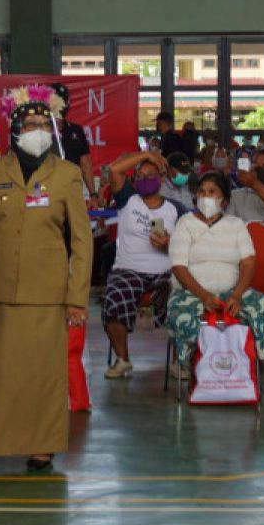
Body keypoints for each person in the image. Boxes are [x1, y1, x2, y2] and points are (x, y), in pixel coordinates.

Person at [0, 87, 92, 473]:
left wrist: (77, 297)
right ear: (15, 129)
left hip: (47, 295)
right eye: (29, 124)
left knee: (42, 378)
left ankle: (42, 447)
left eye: (43, 123)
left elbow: (82, 242)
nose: (37, 130)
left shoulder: (66, 176)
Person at [166, 171, 264, 372]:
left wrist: (237, 296)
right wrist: (203, 296)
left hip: (232, 292)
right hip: (191, 292)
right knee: (181, 315)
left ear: (225, 201)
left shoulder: (236, 225)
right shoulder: (185, 222)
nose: (205, 196)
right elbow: (178, 266)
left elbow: (248, 263)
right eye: (201, 192)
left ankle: (247, 363)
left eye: (212, 192)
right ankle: (186, 363)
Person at [101, 151, 177, 378]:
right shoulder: (129, 199)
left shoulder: (174, 209)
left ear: (162, 179)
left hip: (164, 271)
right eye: (140, 175)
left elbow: (187, 243)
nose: (145, 179)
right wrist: (148, 154)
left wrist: (168, 244)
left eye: (151, 175)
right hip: (128, 270)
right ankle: (123, 360)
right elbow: (114, 170)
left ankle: (178, 361)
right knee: (113, 298)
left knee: (181, 299)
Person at [49, 83, 96, 205]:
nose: (59, 105)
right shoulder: (40, 132)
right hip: (48, 195)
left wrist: (93, 194)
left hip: (72, 193)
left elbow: (85, 163)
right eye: (55, 100)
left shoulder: (76, 130)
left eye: (63, 100)